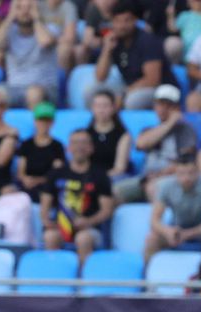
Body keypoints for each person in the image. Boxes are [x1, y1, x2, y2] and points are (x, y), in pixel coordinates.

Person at [114, 84, 199, 203]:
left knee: (153, 188)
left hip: (172, 178)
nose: (163, 108)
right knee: (115, 191)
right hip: (145, 178)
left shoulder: (186, 131)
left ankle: (156, 221)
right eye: (160, 104)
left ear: (176, 108)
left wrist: (160, 174)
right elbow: (141, 144)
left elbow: (186, 161)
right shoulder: (149, 130)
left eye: (168, 105)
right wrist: (169, 123)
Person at [41, 129, 115, 265]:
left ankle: (83, 281)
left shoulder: (100, 175)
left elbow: (107, 210)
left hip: (89, 229)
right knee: (50, 236)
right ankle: (55, 278)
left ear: (91, 148)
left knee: (83, 238)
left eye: (84, 143)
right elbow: (45, 204)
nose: (79, 147)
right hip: (61, 226)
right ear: (68, 148)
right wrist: (47, 221)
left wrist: (88, 221)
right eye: (75, 143)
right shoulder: (56, 173)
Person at [95, 0, 177, 110]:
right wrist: (107, 50)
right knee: (94, 92)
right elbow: (100, 77)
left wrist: (123, 94)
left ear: (135, 20)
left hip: (160, 89)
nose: (122, 26)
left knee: (133, 101)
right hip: (130, 87)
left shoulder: (147, 40)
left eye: (126, 20)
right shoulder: (114, 40)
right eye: (117, 21)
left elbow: (152, 80)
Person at [143, 156, 201, 262]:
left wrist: (189, 234)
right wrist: (167, 231)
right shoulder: (165, 186)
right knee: (152, 239)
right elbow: (154, 220)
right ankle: (148, 274)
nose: (186, 178)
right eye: (181, 173)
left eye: (191, 173)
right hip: (177, 229)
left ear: (198, 171)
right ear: (175, 172)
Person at [0, 0, 59, 108]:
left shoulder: (51, 29)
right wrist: (10, 17)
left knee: (33, 93)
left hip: (45, 89)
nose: (25, 12)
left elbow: (45, 41)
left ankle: (35, 125)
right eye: (19, 7)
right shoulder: (10, 32)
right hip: (14, 88)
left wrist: (36, 18)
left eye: (29, 7)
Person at [16, 101, 65, 201]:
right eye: (41, 120)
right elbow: (20, 171)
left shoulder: (57, 146)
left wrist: (38, 180)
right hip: (27, 186)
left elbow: (56, 173)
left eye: (47, 120)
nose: (43, 124)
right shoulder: (26, 144)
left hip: (48, 188)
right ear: (35, 121)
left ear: (52, 123)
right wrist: (25, 179)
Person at [85, 89, 131, 181]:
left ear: (113, 108)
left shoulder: (123, 135)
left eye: (105, 106)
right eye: (98, 106)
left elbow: (119, 168)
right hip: (89, 178)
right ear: (92, 108)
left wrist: (99, 179)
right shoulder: (86, 134)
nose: (101, 110)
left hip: (113, 177)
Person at [35, 0, 77, 71]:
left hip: (58, 44)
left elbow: (69, 37)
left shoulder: (68, 6)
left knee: (63, 49)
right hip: (40, 42)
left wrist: (51, 40)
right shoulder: (38, 5)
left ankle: (60, 80)